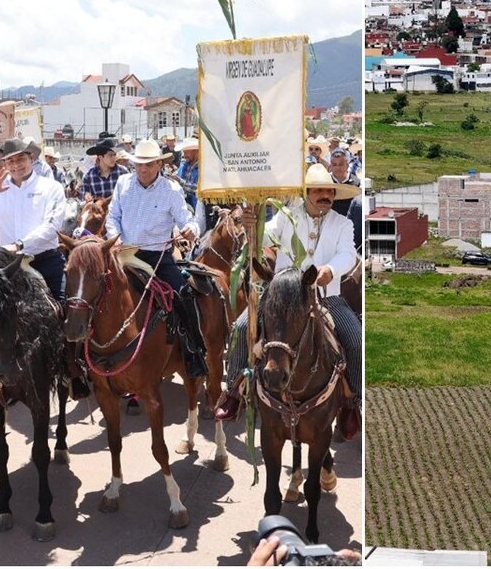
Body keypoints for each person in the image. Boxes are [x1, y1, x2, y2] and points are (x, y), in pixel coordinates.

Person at [215, 164, 362, 438]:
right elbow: (263, 239)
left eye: (329, 191)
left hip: (326, 297)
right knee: (238, 328)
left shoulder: (343, 224)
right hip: (283, 300)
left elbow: (348, 255)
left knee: (355, 340)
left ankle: (352, 401)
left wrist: (329, 270)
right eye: (318, 190)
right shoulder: (286, 217)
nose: (325, 195)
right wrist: (251, 226)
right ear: (306, 193)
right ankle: (234, 390)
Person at [0, 138, 84, 397]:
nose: (16, 164)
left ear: (31, 159)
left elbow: (53, 226)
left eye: (20, 159)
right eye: (10, 160)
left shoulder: (50, 187)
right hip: (8, 264)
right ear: (4, 164)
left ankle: (71, 368)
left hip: (44, 257)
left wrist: (20, 244)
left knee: (66, 309)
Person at [105, 139, 205, 378]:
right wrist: (114, 237)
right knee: (92, 293)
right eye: (139, 164)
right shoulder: (123, 184)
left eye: (149, 164)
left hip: (157, 257)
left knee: (184, 296)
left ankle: (193, 352)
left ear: (159, 164)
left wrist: (191, 229)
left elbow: (186, 219)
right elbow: (112, 216)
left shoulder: (171, 190)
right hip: (123, 254)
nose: (143, 169)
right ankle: (84, 359)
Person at [81, 137, 129, 201]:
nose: (114, 158)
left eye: (114, 155)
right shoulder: (89, 177)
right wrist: (86, 195)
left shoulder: (123, 172)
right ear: (100, 157)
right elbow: (83, 196)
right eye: (110, 155)